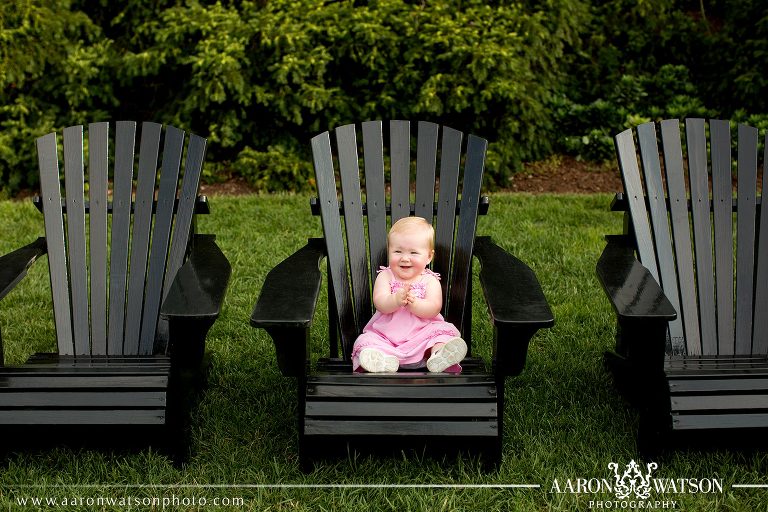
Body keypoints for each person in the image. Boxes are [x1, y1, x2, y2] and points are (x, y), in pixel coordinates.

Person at [351, 216, 467, 373]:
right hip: (386, 339)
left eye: (413, 252)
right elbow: (380, 303)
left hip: (422, 338)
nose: (405, 258)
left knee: (442, 333)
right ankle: (381, 361)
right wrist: (395, 300)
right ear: (389, 251)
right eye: (397, 251)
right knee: (366, 341)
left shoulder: (430, 280)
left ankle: (439, 355)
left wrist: (416, 305)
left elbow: (434, 307)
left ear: (429, 256)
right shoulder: (385, 276)